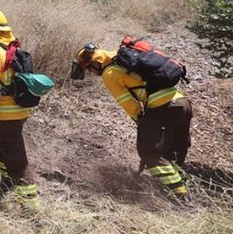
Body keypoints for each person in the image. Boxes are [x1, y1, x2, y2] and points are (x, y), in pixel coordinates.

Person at [73, 42, 192, 200]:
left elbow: (129, 104)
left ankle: (180, 196)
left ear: (96, 62)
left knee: (148, 151)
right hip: (182, 103)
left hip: (162, 106)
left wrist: (141, 122)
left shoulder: (110, 73)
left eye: (89, 68)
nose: (91, 72)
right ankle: (180, 185)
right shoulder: (123, 57)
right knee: (175, 146)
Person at [0, 8, 38, 207]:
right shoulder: (9, 46)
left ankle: (30, 206)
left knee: (16, 158)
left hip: (5, 112)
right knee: (3, 148)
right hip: (17, 111)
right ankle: (6, 184)